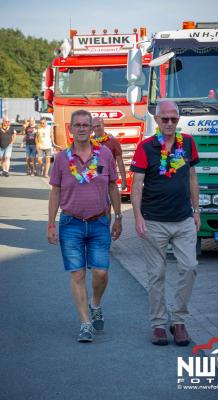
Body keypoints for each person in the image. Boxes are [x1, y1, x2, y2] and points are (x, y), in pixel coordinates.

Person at [47, 109, 122, 343]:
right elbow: (55, 192)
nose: (81, 128)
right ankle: (85, 323)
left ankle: (95, 304)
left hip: (99, 221)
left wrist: (119, 217)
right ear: (70, 128)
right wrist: (50, 224)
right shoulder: (61, 158)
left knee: (101, 272)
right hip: (70, 224)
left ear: (92, 129)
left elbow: (112, 187)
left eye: (85, 125)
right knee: (77, 274)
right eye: (77, 125)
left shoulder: (105, 154)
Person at [130, 100, 200, 346]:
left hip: (183, 220)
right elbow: (136, 184)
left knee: (190, 267)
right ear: (157, 120)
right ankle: (159, 325)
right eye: (165, 119)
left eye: (174, 119)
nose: (169, 123)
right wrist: (137, 216)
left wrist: (197, 211)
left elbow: (192, 177)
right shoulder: (146, 147)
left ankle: (179, 320)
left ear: (178, 120)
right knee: (156, 274)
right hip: (154, 221)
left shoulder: (188, 143)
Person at [92, 117, 127, 190]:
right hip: (93, 181)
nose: (96, 128)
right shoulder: (89, 142)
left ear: (103, 125)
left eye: (98, 126)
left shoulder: (113, 141)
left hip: (110, 180)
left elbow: (120, 161)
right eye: (94, 127)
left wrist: (124, 180)